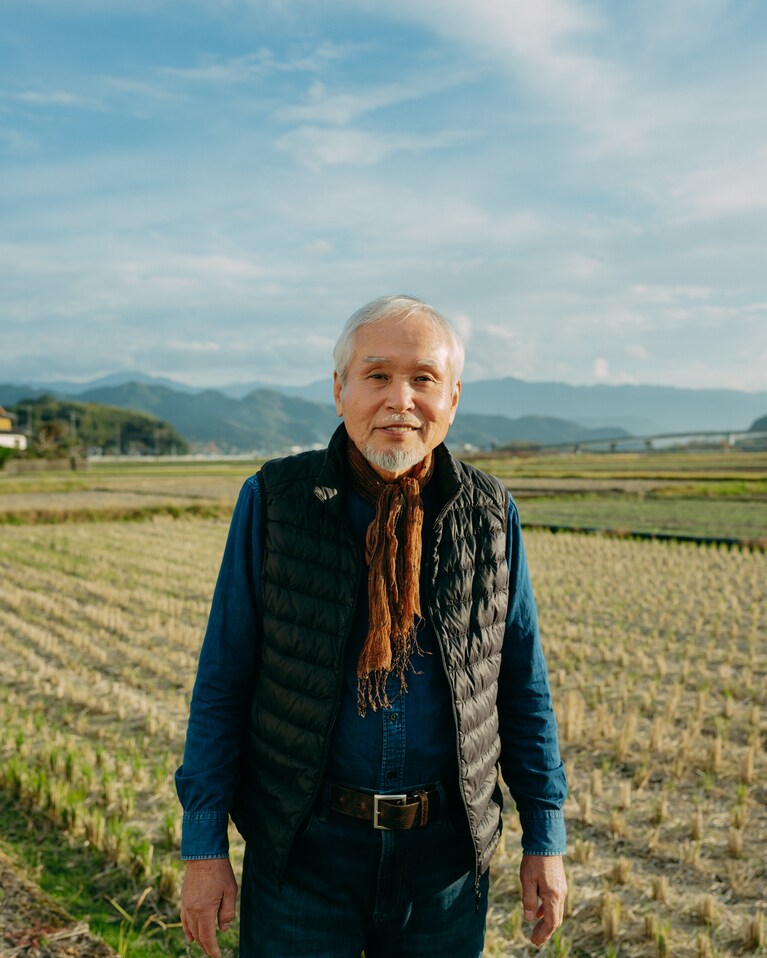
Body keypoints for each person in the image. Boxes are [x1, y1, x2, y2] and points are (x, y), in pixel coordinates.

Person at [175, 295, 567, 958]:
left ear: (452, 396)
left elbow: (519, 684)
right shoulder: (276, 501)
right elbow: (224, 680)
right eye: (377, 375)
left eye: (423, 379)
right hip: (303, 850)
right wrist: (204, 845)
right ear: (339, 389)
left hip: (443, 859)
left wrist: (545, 837)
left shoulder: (488, 512)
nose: (400, 399)